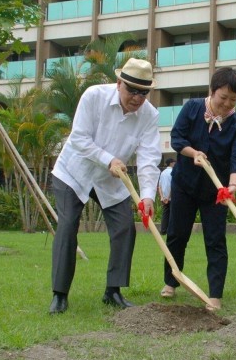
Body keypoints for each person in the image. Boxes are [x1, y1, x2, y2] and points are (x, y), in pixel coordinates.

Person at [48, 58, 161, 314]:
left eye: (143, 92)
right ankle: (60, 294)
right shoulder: (94, 96)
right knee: (67, 226)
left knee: (124, 228)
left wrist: (147, 197)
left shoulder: (149, 115)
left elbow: (148, 159)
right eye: (132, 90)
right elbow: (78, 138)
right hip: (74, 172)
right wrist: (107, 159)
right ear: (119, 83)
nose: (137, 97)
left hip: (110, 181)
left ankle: (113, 291)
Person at [159, 67, 236, 311]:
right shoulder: (193, 108)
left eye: (233, 99)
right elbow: (177, 139)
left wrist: (232, 186)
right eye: (223, 97)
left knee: (215, 240)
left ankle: (215, 295)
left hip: (216, 193)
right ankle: (171, 281)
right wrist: (193, 153)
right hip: (184, 185)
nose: (227, 104)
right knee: (177, 234)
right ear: (212, 91)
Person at [158, 157, 176, 234]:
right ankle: (171, 231)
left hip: (164, 198)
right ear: (171, 163)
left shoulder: (163, 173)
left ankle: (163, 230)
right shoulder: (173, 172)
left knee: (165, 215)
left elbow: (159, 186)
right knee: (173, 214)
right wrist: (168, 197)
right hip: (171, 197)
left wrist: (162, 197)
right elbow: (173, 186)